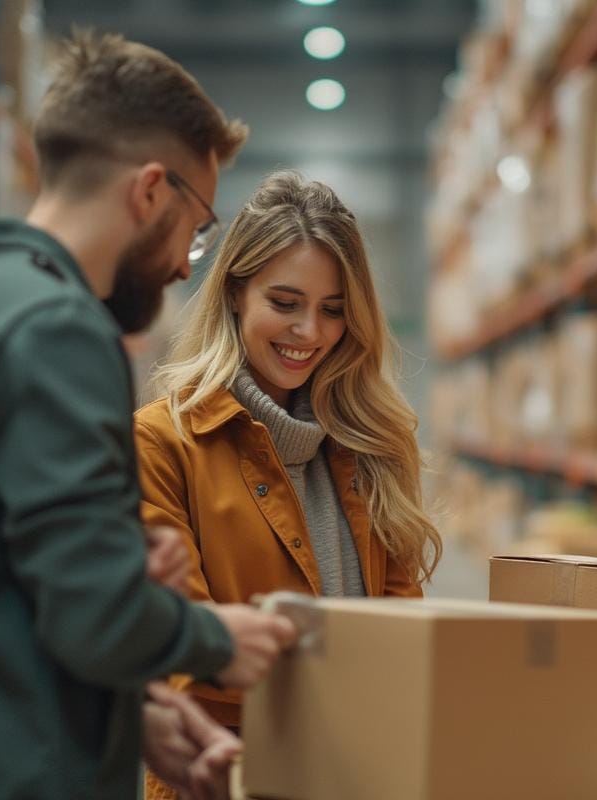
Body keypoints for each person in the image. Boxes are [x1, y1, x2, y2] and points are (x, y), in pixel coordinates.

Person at [0, 32, 296, 800]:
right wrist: (213, 639)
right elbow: (94, 613)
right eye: (199, 226)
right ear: (151, 191)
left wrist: (130, 710)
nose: (188, 261)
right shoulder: (58, 329)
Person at [134, 171, 442, 796]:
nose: (310, 333)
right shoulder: (163, 444)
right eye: (285, 303)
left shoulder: (375, 446)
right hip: (226, 778)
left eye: (333, 310)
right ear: (234, 294)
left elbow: (407, 624)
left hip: (365, 773)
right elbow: (173, 646)